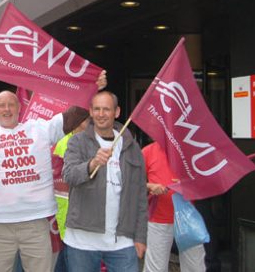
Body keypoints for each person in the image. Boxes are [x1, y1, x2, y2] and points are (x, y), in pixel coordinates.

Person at [0, 73, 106, 272]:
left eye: (11, 104)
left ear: (19, 108)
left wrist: (91, 89)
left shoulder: (39, 128)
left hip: (36, 224)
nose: (6, 109)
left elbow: (74, 115)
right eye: (1, 105)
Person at [62, 91, 148, 272]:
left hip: (122, 241)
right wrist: (92, 164)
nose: (101, 114)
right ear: (91, 112)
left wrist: (140, 237)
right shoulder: (77, 142)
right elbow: (68, 175)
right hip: (82, 240)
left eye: (106, 109)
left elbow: (140, 195)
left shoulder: (131, 147)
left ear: (116, 112)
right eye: (97, 109)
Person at [142, 141, 206, 272]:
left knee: (195, 268)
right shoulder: (148, 151)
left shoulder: (193, 150)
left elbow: (206, 182)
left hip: (188, 219)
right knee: (155, 269)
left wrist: (189, 184)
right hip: (158, 219)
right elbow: (132, 180)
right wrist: (150, 186)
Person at [52, 106, 90, 272]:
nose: (90, 123)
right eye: (87, 120)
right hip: (67, 210)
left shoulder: (86, 141)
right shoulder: (65, 142)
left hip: (73, 211)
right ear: (76, 124)